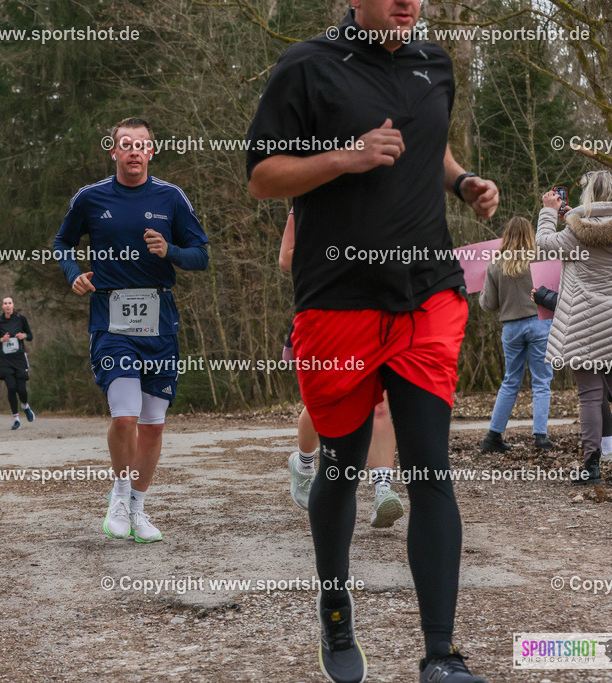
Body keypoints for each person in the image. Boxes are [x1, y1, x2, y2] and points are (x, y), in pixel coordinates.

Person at [246, 0, 500, 678]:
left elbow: (430, 142)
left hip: (428, 294)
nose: (407, 2)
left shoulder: (434, 62)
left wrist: (462, 181)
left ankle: (440, 655)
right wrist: (345, 157)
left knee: (429, 468)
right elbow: (262, 176)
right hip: (338, 300)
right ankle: (335, 609)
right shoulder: (307, 65)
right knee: (343, 465)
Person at [54, 116, 210, 543]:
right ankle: (120, 496)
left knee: (153, 425)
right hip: (111, 320)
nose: (134, 151)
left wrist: (170, 249)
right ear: (114, 152)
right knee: (124, 417)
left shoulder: (171, 197)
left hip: (160, 322)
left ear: (151, 152)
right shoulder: (91, 197)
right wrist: (73, 274)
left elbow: (201, 256)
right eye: (126, 144)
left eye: (141, 145)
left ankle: (138, 506)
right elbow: (62, 243)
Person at [280, 210, 403, 527]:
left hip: (373, 316)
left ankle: (383, 490)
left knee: (380, 404)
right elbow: (286, 258)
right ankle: (304, 465)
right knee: (323, 403)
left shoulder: (380, 200)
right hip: (324, 315)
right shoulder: (309, 200)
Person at [537, 172, 612, 482]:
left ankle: (592, 465)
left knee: (589, 396)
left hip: (584, 320)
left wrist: (549, 212)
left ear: (589, 197)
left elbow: (544, 245)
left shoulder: (577, 232)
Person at [479, 217, 554, 452]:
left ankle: (493, 436)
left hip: (511, 328)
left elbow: (488, 304)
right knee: (541, 380)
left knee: (510, 380)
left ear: (506, 235)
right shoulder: (541, 257)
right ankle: (540, 436)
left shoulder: (495, 264)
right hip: (539, 323)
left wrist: (484, 293)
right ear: (530, 233)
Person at [0, 297, 35, 429]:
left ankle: (25, 405)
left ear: (13, 305)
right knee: (11, 388)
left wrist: (24, 336)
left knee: (22, 389)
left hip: (19, 358)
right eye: (5, 303)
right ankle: (16, 419)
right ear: (2, 306)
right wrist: (1, 340)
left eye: (9, 303)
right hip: (5, 360)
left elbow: (30, 336)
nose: (7, 305)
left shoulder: (21, 318)